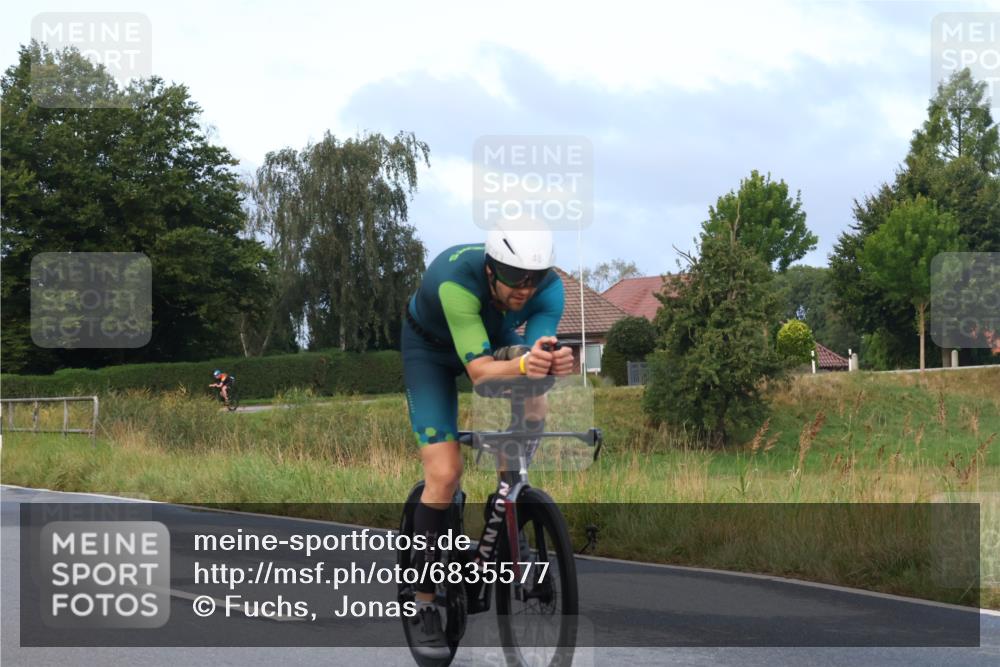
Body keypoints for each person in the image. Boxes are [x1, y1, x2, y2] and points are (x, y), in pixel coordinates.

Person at [402, 224, 574, 652]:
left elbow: (533, 362)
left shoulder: (549, 290)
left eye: (535, 278)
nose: (526, 290)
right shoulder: (455, 280)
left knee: (536, 401)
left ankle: (508, 498)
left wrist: (548, 364)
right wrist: (522, 365)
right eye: (515, 278)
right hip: (430, 353)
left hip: (493, 341)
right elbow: (479, 374)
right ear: (491, 270)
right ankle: (423, 604)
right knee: (444, 475)